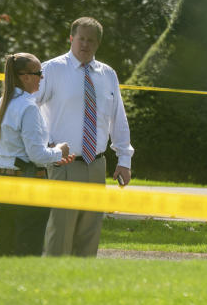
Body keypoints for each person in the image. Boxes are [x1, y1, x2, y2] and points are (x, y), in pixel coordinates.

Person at [36, 17, 134, 257]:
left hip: (96, 164)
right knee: (60, 235)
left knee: (89, 237)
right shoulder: (51, 69)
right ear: (71, 38)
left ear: (98, 44)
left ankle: (80, 288)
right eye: (81, 38)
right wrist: (42, 144)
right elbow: (30, 109)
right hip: (64, 164)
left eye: (91, 40)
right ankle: (53, 288)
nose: (85, 44)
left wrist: (124, 160)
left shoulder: (108, 74)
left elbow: (118, 118)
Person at [0, 52, 73, 256]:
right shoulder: (28, 107)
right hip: (28, 182)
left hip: (3, 179)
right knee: (28, 247)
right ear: (25, 76)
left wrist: (49, 151)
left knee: (5, 244)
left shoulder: (2, 103)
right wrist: (58, 151)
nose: (42, 77)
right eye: (38, 73)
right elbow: (36, 155)